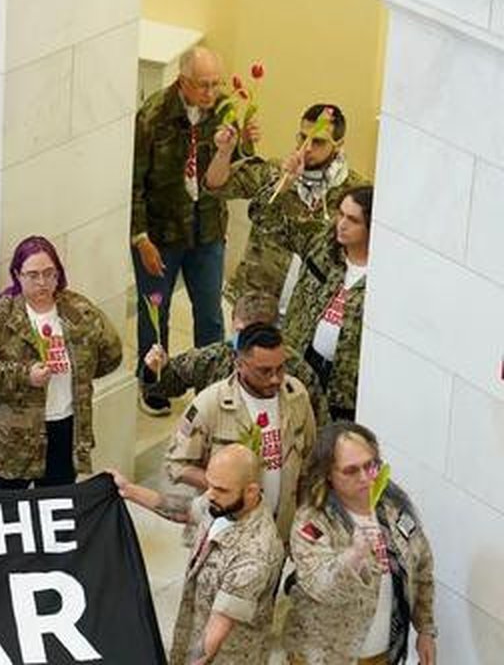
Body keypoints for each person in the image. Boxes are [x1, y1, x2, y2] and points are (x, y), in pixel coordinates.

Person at [132, 46, 250, 416]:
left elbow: (239, 165)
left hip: (207, 229)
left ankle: (211, 385)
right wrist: (140, 237)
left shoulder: (224, 111)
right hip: (161, 232)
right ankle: (154, 380)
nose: (211, 93)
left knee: (210, 313)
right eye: (203, 85)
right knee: (156, 310)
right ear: (183, 82)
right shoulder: (153, 116)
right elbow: (132, 182)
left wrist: (245, 141)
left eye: (216, 84)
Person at [0, 236, 122, 489]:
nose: (42, 282)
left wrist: (80, 375)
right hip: (8, 441)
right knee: (9, 515)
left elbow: (111, 353)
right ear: (17, 275)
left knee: (54, 508)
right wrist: (24, 376)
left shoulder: (78, 310)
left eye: (49, 274)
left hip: (64, 428)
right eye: (33, 275)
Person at [112, 444, 284, 665]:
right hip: (193, 631)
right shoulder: (224, 504)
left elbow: (214, 636)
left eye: (220, 489)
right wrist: (129, 490)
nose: (210, 494)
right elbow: (185, 509)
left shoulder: (255, 555)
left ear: (251, 491)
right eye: (209, 485)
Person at [285, 422, 436, 664]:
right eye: (351, 471)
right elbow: (320, 586)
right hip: (326, 657)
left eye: (370, 466)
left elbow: (422, 568)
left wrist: (425, 629)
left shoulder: (394, 510)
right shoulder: (313, 522)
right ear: (328, 475)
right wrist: (353, 555)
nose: (365, 478)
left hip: (381, 655)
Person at [206, 103, 369, 312]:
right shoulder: (275, 172)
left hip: (311, 310)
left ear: (338, 144)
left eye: (317, 141)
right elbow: (216, 186)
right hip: (257, 304)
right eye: (302, 138)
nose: (306, 148)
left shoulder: (354, 192)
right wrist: (224, 153)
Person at [164, 323, 317, 540]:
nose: (275, 378)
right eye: (264, 371)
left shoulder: (296, 396)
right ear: (239, 364)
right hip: (226, 531)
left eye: (281, 368)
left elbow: (309, 459)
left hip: (279, 528)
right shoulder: (210, 405)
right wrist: (225, 486)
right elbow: (176, 465)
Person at [262, 186, 374, 421]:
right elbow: (267, 219)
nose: (341, 224)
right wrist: (283, 182)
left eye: (352, 220)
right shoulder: (322, 245)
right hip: (302, 364)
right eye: (340, 214)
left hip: (344, 389)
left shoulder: (383, 276)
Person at [144, 292, 326, 424]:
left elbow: (318, 426)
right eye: (240, 331)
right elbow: (168, 384)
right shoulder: (213, 358)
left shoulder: (297, 373)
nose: (245, 341)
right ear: (232, 323)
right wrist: (157, 369)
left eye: (254, 334)